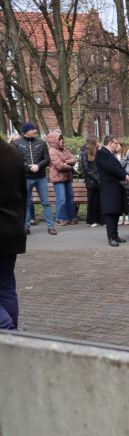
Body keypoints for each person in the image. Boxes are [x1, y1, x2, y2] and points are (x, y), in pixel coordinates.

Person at [1, 136, 27, 329]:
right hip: (11, 228)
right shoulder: (13, 153)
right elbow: (22, 193)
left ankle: (8, 329)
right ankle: (12, 344)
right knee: (6, 288)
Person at [13, 123, 53, 235]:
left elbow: (47, 159)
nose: (35, 131)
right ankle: (26, 227)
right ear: (26, 131)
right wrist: (28, 166)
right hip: (26, 177)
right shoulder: (17, 144)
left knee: (46, 202)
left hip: (40, 177)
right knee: (26, 203)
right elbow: (16, 159)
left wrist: (38, 166)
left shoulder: (41, 143)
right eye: (32, 129)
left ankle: (50, 226)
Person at [95, 136, 129, 246]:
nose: (117, 145)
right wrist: (124, 176)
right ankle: (111, 237)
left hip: (115, 187)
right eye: (116, 143)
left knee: (115, 212)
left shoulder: (109, 154)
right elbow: (111, 168)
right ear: (110, 143)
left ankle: (115, 235)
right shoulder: (101, 153)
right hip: (108, 187)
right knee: (110, 212)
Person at [47, 131, 77, 225]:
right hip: (58, 179)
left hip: (67, 178)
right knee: (61, 199)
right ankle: (61, 218)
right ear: (54, 141)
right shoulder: (51, 151)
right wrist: (69, 166)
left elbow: (73, 159)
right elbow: (59, 166)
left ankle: (72, 217)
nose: (62, 141)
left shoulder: (64, 150)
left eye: (62, 138)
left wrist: (66, 163)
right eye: (59, 139)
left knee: (70, 198)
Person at [81, 137, 102, 227]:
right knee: (92, 201)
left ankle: (101, 219)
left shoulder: (98, 151)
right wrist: (96, 179)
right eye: (97, 141)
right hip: (91, 180)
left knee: (100, 201)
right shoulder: (85, 153)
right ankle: (92, 220)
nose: (98, 143)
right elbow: (87, 169)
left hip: (99, 179)